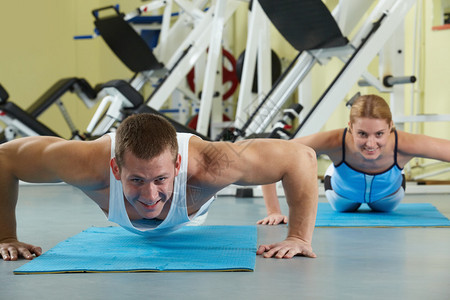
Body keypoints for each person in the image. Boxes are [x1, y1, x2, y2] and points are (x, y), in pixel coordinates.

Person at [0, 113, 318, 261]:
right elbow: (5, 158)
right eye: (136, 180)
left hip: (193, 205)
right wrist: (5, 237)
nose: (151, 196)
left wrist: (299, 237)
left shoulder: (210, 166)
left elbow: (301, 157)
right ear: (115, 168)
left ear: (177, 167)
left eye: (161, 180)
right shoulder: (84, 164)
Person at [258, 94, 450, 225]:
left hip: (389, 197)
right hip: (341, 196)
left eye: (379, 134)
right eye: (362, 134)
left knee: (384, 206)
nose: (371, 143)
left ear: (391, 126)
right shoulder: (334, 141)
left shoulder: (406, 144)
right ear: (350, 127)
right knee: (343, 204)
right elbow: (272, 158)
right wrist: (273, 211)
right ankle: (333, 170)